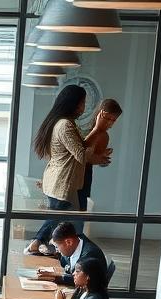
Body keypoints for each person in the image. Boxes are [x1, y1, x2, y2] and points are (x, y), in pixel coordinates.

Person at [25, 85, 112, 255]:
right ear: (72, 103)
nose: (84, 107)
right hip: (62, 180)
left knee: (60, 217)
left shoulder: (67, 123)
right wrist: (97, 129)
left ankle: (47, 245)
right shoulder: (65, 125)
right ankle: (36, 243)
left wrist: (96, 152)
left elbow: (80, 148)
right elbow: (80, 154)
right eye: (82, 103)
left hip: (63, 180)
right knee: (58, 216)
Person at [75, 98, 122, 231]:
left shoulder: (104, 136)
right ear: (99, 114)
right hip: (73, 175)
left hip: (85, 176)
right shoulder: (83, 130)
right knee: (69, 213)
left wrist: (101, 158)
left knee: (79, 213)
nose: (110, 123)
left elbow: (92, 159)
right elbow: (79, 154)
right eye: (107, 119)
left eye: (113, 120)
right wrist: (98, 158)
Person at [35, 221, 107, 287]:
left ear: (69, 242)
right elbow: (65, 264)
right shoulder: (74, 245)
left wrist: (54, 276)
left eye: (57, 247)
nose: (57, 250)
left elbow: (80, 279)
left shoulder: (90, 255)